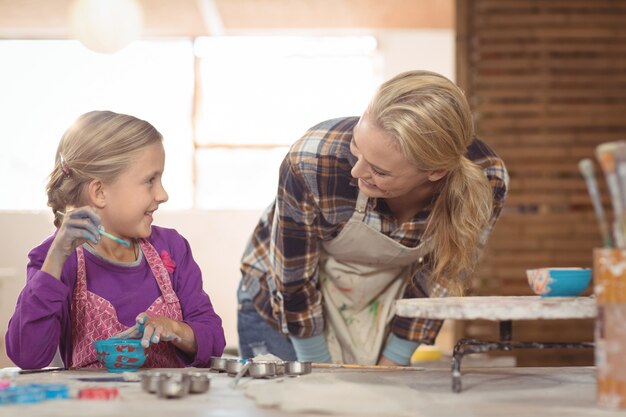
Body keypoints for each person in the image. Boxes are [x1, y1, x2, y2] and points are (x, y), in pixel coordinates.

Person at [237, 70, 508, 366]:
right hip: (284, 301)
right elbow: (293, 278)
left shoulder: (485, 179)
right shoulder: (312, 160)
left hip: (380, 305)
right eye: (356, 146)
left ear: (435, 172)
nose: (356, 172)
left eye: (379, 171)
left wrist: (393, 362)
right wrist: (318, 370)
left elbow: (442, 275)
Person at [5, 110, 225, 369]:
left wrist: (173, 328)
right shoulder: (53, 259)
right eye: (150, 180)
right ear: (99, 192)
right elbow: (27, 356)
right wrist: (55, 260)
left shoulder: (172, 247)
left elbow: (214, 342)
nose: (163, 194)